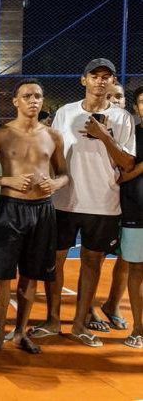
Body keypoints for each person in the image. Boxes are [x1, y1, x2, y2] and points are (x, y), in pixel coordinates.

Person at [37, 59, 135, 347]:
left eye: (107, 77)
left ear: (112, 82)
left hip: (103, 203)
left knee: (92, 263)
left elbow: (128, 163)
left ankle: (79, 323)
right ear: (84, 80)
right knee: (55, 262)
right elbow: (53, 154)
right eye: (95, 76)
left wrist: (104, 137)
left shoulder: (122, 118)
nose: (100, 81)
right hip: (63, 200)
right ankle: (53, 320)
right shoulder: (65, 112)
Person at [0, 79, 68, 353]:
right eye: (27, 95)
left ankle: (20, 332)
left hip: (43, 212)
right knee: (2, 277)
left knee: (31, 275)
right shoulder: (1, 135)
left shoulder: (53, 136)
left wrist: (55, 184)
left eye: (38, 96)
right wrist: (8, 180)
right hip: (10, 210)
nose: (33, 100)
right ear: (16, 101)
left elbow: (64, 174)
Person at [98, 81, 131, 333]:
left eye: (119, 96)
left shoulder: (133, 128)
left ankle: (113, 304)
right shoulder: (93, 126)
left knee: (126, 258)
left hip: (129, 202)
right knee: (95, 256)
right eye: (110, 96)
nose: (116, 100)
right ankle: (88, 307)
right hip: (100, 200)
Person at [120, 86, 143, 349]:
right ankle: (138, 327)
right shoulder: (132, 135)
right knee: (136, 269)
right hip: (136, 212)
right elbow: (121, 174)